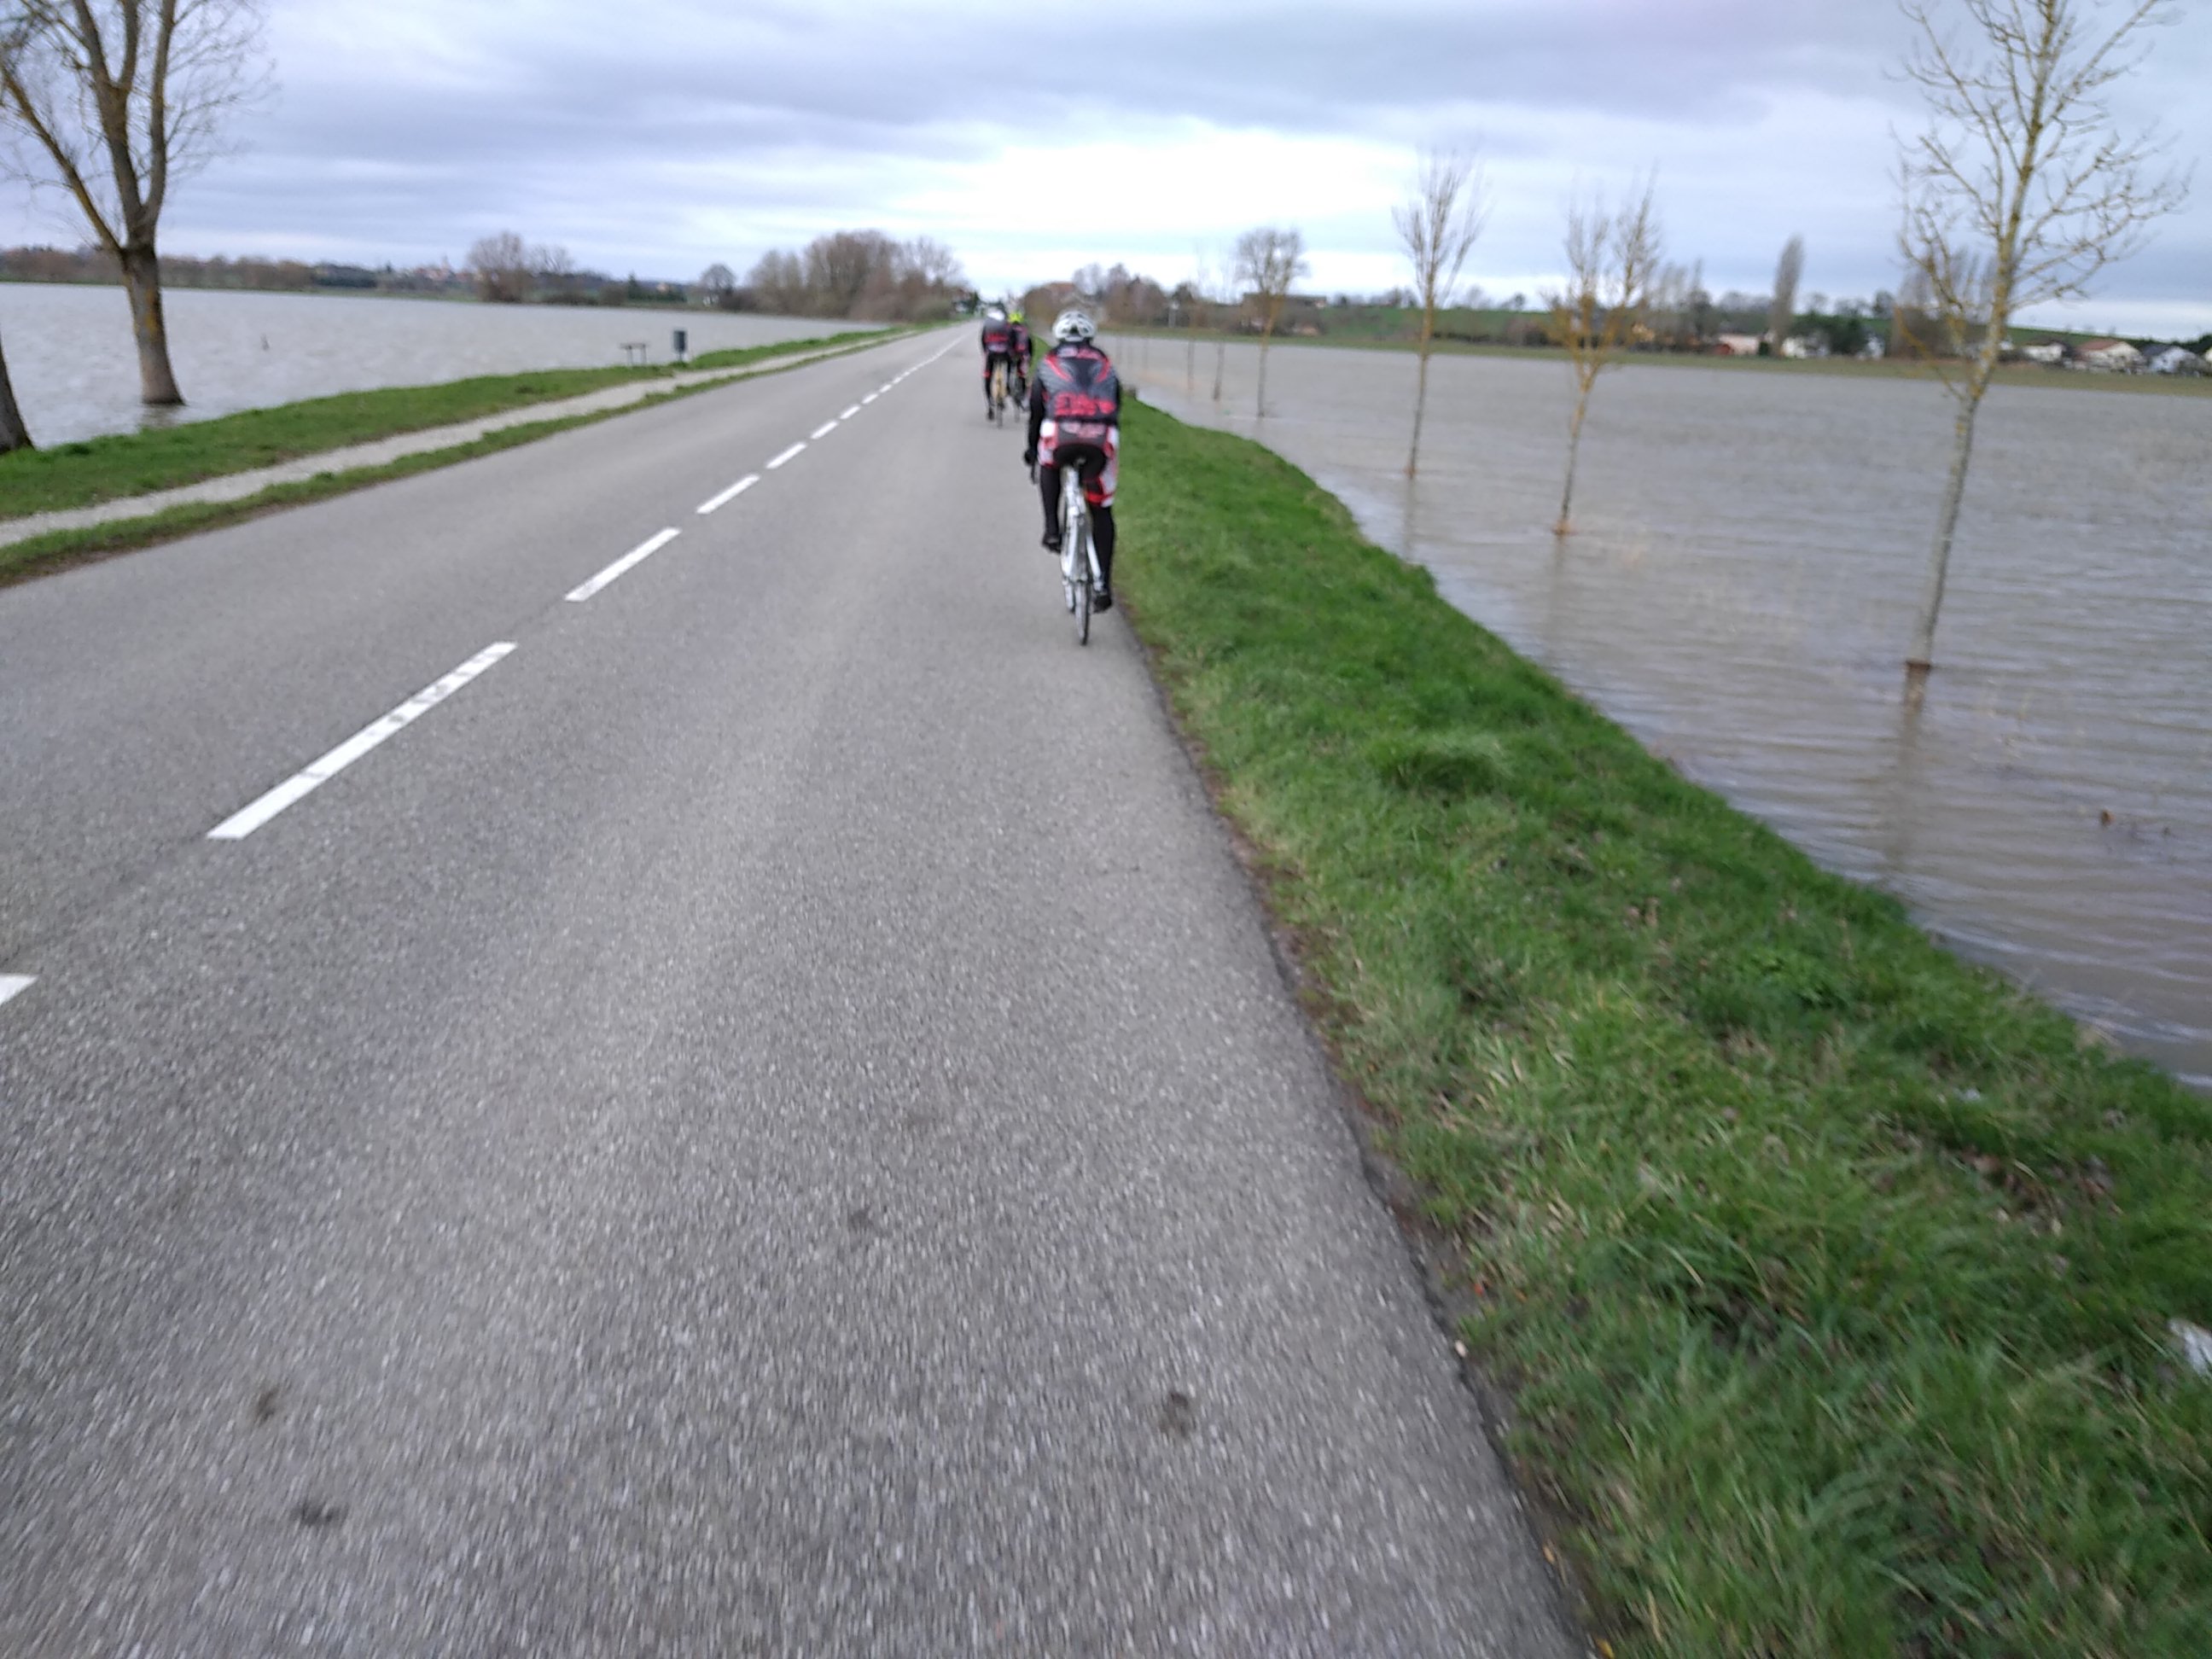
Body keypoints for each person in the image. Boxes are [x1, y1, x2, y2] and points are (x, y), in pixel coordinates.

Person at [1023, 309, 1121, 610]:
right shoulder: (1105, 363)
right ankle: (1103, 584)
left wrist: (1031, 454)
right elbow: (1117, 407)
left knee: (1049, 465)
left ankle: (1052, 530)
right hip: (1101, 438)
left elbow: (1036, 414)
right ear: (1090, 337)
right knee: (1101, 508)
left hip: (1061, 433)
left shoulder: (1049, 363)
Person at [978, 304, 1016, 414]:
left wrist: (985, 351)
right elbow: (1012, 339)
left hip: (991, 353)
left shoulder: (987, 324)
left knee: (988, 376)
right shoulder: (1007, 323)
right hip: (1005, 352)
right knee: (1010, 364)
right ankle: (1008, 383)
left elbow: (982, 340)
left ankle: (990, 404)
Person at [1006, 309, 1032, 400]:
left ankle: (1007, 387)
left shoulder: (1009, 329)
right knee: (1022, 374)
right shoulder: (1024, 329)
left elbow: (1008, 343)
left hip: (1013, 354)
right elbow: (1030, 343)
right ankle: (1023, 394)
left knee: (1009, 368)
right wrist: (1030, 358)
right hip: (1024, 355)